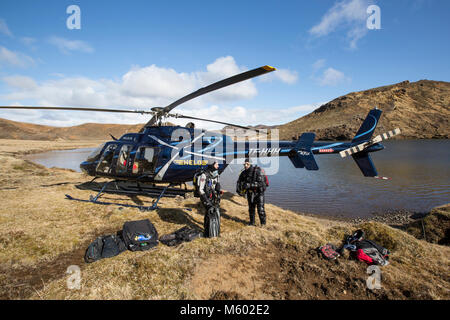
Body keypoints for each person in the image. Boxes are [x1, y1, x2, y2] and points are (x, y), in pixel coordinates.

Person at [236, 159, 269, 226]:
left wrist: (250, 185)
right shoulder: (243, 173)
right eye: (244, 164)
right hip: (250, 193)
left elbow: (262, 184)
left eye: (247, 164)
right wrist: (239, 190)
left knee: (260, 209)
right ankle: (251, 223)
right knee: (251, 209)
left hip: (259, 193)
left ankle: (263, 224)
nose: (245, 165)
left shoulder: (257, 171)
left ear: (250, 164)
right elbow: (239, 182)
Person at [198, 161, 222, 237]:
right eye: (216, 164)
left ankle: (214, 231)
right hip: (206, 197)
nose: (218, 166)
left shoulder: (216, 175)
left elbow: (215, 186)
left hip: (214, 197)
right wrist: (206, 200)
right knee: (209, 213)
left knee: (214, 213)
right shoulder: (204, 175)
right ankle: (207, 232)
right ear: (212, 165)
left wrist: (218, 190)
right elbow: (201, 189)